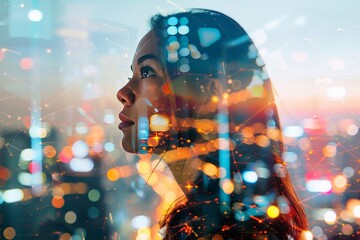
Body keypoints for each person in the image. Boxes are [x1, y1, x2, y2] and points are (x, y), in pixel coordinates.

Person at [117, 8, 308, 239]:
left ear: (210, 96)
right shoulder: (233, 219)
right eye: (133, 75)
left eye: (147, 72)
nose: (123, 93)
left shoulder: (218, 229)